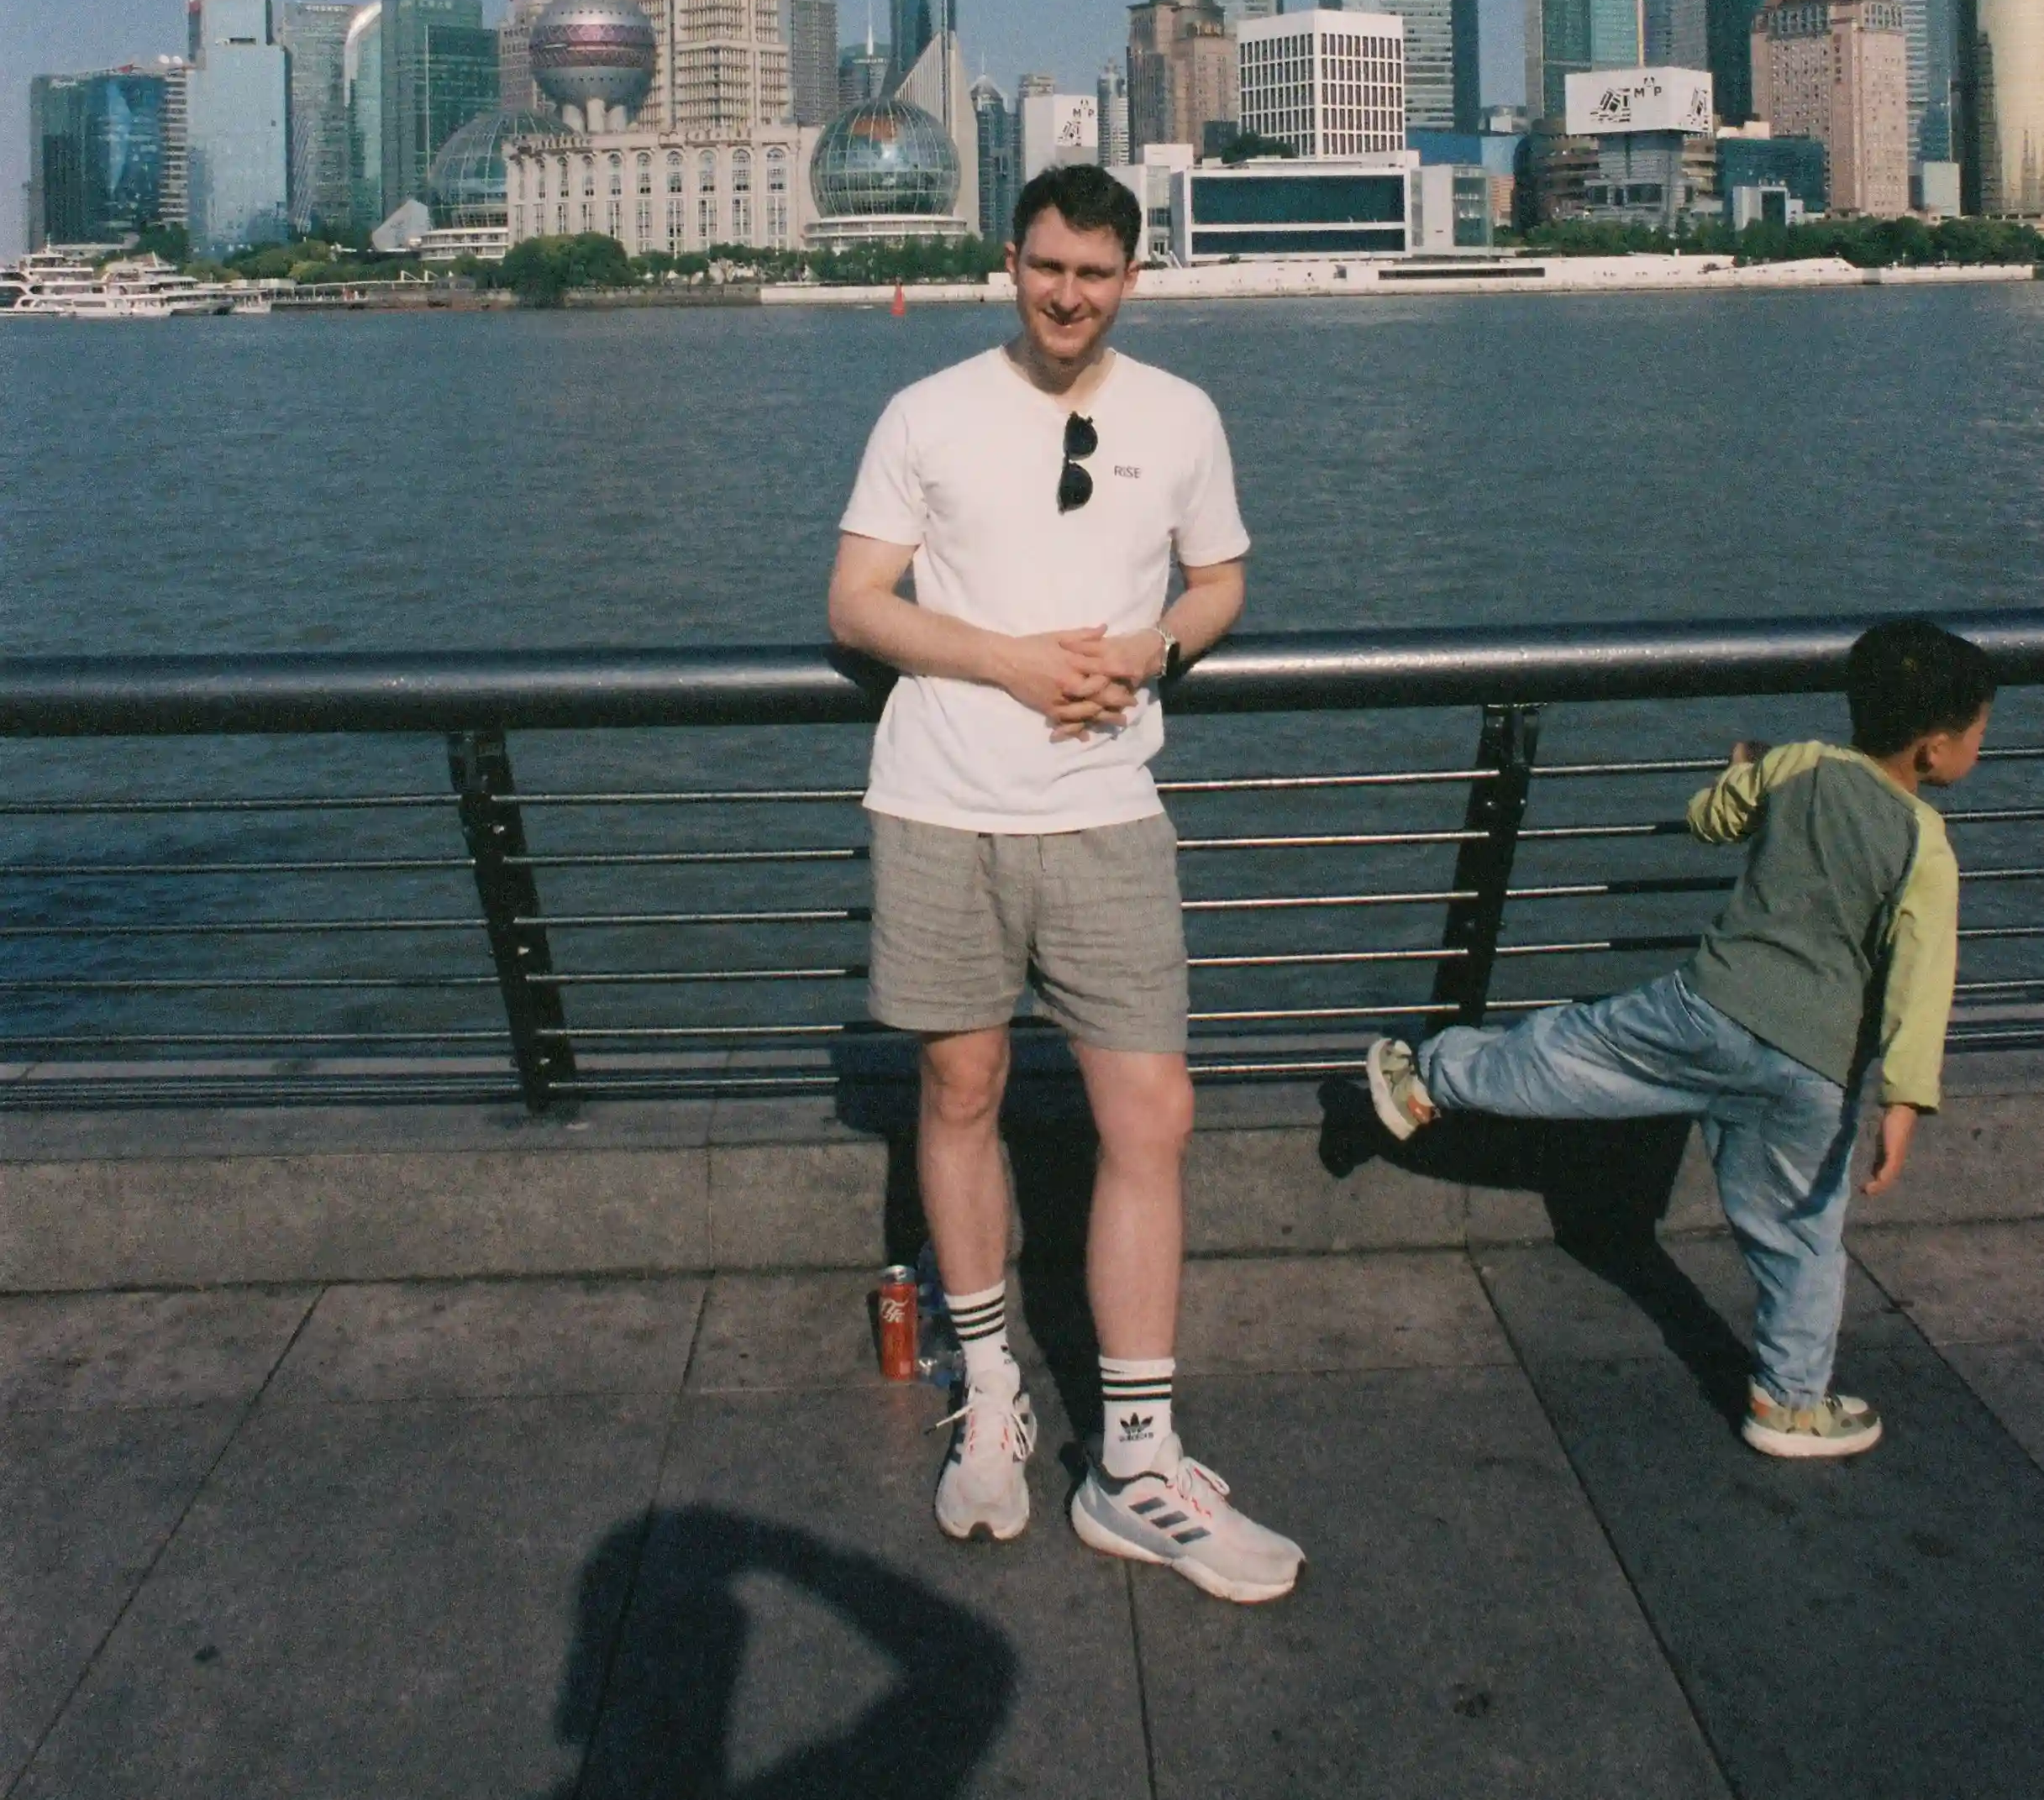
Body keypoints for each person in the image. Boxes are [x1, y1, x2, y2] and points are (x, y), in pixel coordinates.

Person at [828, 162, 1303, 1603]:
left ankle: (1137, 1458)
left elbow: (1220, 579)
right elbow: (854, 602)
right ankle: (988, 1391)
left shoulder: (1180, 415)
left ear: (1131, 278)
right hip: (940, 803)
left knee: (1150, 1111)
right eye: (1044, 267)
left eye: (1093, 273)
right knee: (959, 1092)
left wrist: (1154, 646)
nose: (1066, 294)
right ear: (1009, 261)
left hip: (1105, 807)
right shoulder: (926, 411)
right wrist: (1012, 657)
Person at [1368, 617, 1992, 1459]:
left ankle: (1429, 1079)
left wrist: (1741, 775)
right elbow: (1922, 984)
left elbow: (1711, 819)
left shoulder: (1797, 762)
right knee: (1802, 1234)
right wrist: (1905, 1098)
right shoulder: (1928, 847)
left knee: (1574, 1050)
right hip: (1814, 1067)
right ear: (1933, 749)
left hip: (1710, 1010)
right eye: (1979, 734)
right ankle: (1791, 1402)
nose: (1979, 750)